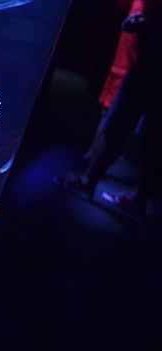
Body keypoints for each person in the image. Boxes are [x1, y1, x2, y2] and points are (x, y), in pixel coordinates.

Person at [54, 0, 161, 216]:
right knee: (150, 135)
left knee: (119, 124)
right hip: (143, 59)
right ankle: (135, 197)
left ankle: (88, 181)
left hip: (150, 65)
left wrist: (149, 27)